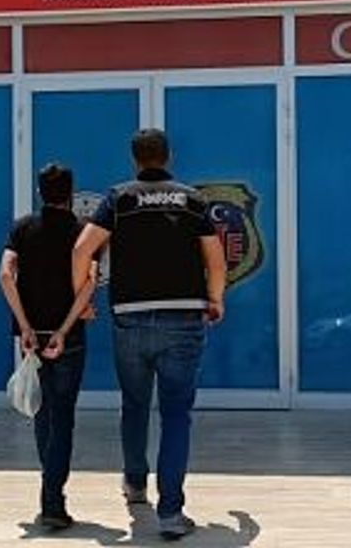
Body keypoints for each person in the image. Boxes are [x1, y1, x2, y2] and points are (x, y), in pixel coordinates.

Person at [62, 128, 227, 541]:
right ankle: (170, 512)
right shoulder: (192, 200)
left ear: (135, 159)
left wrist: (82, 301)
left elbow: (81, 250)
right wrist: (215, 298)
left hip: (130, 318)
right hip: (184, 319)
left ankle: (135, 483)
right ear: (168, 157)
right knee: (176, 414)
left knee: (134, 403)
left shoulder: (119, 199)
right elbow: (216, 259)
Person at [0, 163, 97, 530]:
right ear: (70, 193)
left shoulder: (23, 229)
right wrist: (65, 328)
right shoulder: (82, 232)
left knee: (42, 412)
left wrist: (24, 325)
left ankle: (51, 492)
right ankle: (52, 499)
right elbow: (90, 283)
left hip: (32, 339)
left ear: (40, 192)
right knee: (63, 417)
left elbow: (5, 275)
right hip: (67, 338)